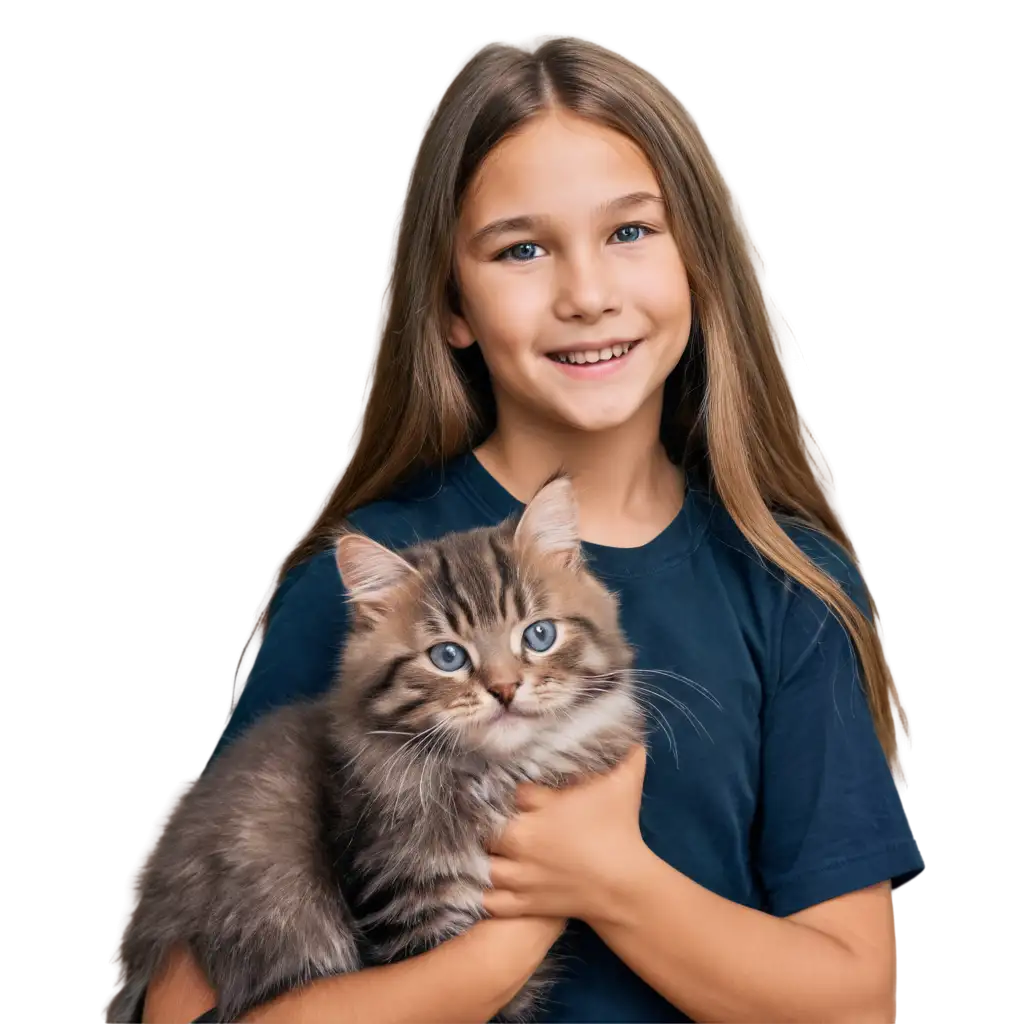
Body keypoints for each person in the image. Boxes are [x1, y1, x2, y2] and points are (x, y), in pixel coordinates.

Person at [139, 37, 924, 1024]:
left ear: (697, 261)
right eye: (521, 248)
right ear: (452, 306)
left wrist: (608, 876)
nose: (586, 293)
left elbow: (855, 1004)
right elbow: (181, 1012)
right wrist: (509, 942)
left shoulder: (787, 582)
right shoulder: (370, 588)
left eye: (630, 232)